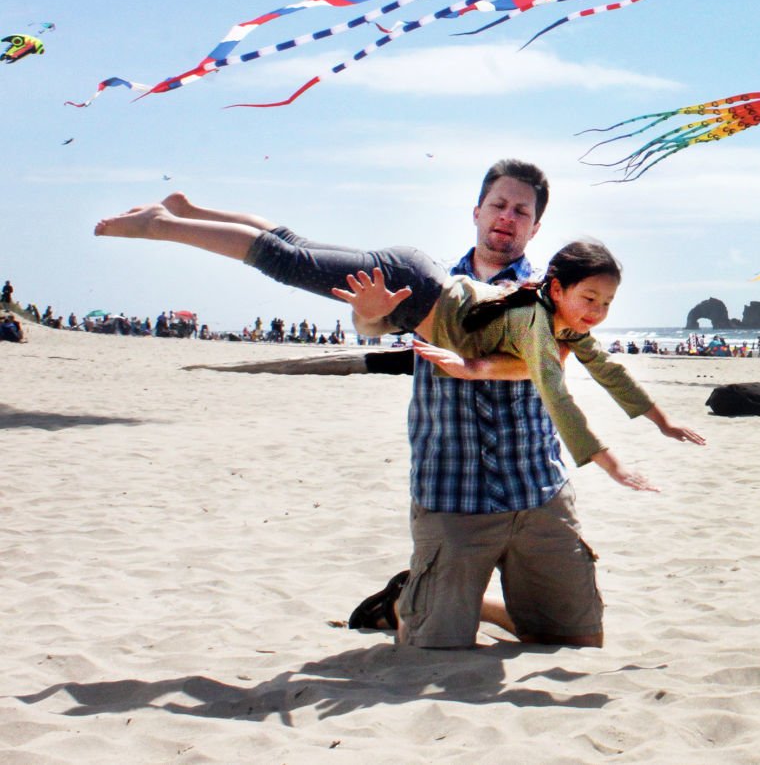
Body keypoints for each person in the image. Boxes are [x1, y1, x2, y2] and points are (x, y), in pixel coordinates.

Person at [95, 180, 704, 648]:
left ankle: (189, 208)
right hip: (424, 318)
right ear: (479, 211)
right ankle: (166, 225)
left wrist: (660, 420)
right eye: (498, 205)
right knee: (290, 262)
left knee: (299, 247)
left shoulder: (556, 312)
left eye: (606, 303)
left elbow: (598, 368)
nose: (597, 311)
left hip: (523, 474)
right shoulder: (541, 316)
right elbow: (560, 395)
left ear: (537, 228)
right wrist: (611, 463)